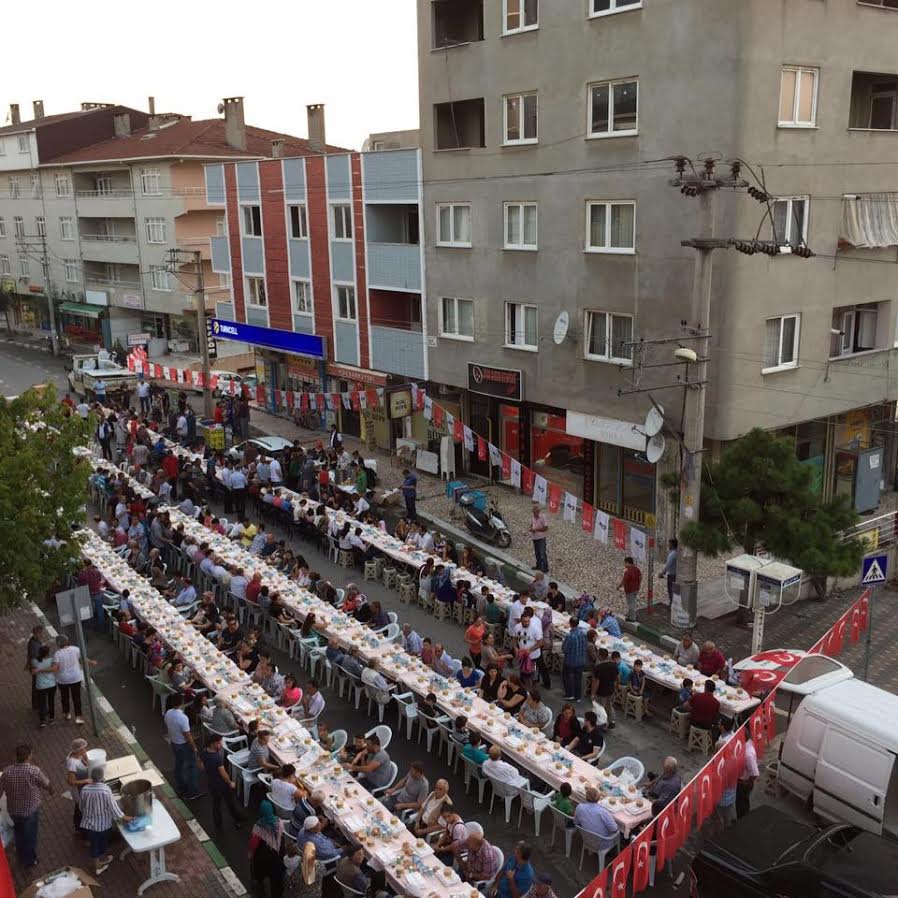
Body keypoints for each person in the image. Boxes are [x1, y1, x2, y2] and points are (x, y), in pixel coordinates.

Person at [0, 744, 53, 868]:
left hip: (13, 810)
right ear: (29, 756)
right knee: (30, 836)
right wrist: (51, 791)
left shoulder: (7, 772)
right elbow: (46, 783)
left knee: (19, 833)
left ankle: (21, 854)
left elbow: (0, 791)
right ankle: (29, 861)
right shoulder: (33, 771)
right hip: (30, 812)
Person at [79, 766, 133, 875]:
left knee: (96, 843)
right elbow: (114, 809)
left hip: (89, 824)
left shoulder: (85, 789)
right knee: (97, 846)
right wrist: (126, 817)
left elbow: (81, 806)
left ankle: (101, 859)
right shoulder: (105, 791)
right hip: (102, 825)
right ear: (102, 777)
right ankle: (97, 867)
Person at [164, 694, 203, 799]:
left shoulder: (168, 713)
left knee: (179, 763)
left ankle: (181, 785)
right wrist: (194, 747)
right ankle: (193, 791)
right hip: (183, 744)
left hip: (174, 742)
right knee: (191, 766)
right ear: (181, 703)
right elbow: (188, 735)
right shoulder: (183, 718)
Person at [249, 800, 285, 898]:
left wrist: (251, 853)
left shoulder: (258, 826)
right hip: (277, 856)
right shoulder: (279, 822)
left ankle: (259, 885)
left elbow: (254, 843)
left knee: (259, 872)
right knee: (276, 880)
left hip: (263, 856)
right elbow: (281, 838)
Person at [54, 634, 88, 724]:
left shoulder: (57, 654)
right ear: (67, 641)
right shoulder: (75, 649)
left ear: (58, 644)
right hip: (75, 678)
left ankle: (67, 713)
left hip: (62, 679)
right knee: (76, 698)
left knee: (64, 697)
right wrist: (90, 662)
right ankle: (78, 717)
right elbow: (83, 659)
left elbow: (56, 668)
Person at [66, 738, 92, 831]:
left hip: (82, 788)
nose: (85, 750)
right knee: (80, 808)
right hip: (78, 790)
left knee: (79, 808)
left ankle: (77, 825)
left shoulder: (77, 756)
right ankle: (80, 828)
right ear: (78, 750)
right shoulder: (72, 763)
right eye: (83, 749)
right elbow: (70, 781)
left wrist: (85, 758)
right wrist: (86, 781)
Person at [592, 648, 619, 729]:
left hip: (601, 691)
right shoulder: (613, 665)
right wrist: (616, 686)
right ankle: (612, 721)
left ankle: (604, 724)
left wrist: (593, 693)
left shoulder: (598, 667)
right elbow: (618, 677)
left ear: (600, 656)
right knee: (609, 706)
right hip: (611, 690)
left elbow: (596, 682)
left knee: (600, 708)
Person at [561, 617, 586, 701]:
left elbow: (564, 649)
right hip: (581, 660)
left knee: (567, 677)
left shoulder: (569, 636)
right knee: (578, 679)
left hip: (571, 661)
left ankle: (569, 694)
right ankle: (578, 697)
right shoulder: (583, 633)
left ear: (570, 624)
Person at [31, 645, 57, 727]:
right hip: (51, 684)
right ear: (47, 653)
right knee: (51, 701)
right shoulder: (52, 660)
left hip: (40, 686)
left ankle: (42, 720)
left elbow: (33, 672)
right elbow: (54, 669)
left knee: (42, 703)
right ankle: (51, 718)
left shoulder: (35, 661)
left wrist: (39, 670)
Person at [737, 731, 760, 819]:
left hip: (744, 783)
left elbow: (755, 773)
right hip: (741, 779)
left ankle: (744, 820)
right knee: (740, 803)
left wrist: (747, 782)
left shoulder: (748, 754)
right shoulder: (746, 744)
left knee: (742, 805)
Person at [617, 556, 642, 622]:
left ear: (629, 563)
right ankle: (629, 613)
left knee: (630, 604)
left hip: (629, 590)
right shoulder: (636, 569)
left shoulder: (627, 572)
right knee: (633, 602)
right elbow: (640, 577)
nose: (624, 565)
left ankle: (632, 618)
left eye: (625, 563)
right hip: (636, 588)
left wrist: (618, 586)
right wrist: (639, 584)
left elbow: (624, 581)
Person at [528, 502, 549, 573]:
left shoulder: (543, 517)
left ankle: (545, 568)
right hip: (535, 537)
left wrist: (536, 530)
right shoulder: (533, 518)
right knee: (537, 553)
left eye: (535, 512)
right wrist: (531, 529)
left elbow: (546, 528)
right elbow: (531, 525)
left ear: (538, 512)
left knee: (542, 553)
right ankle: (538, 565)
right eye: (533, 512)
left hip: (541, 538)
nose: (534, 514)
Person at [658, 538, 678, 603]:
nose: (668, 545)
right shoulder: (678, 553)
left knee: (671, 591)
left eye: (669, 544)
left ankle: (672, 605)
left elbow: (667, 565)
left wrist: (662, 573)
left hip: (672, 575)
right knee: (676, 591)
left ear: (672, 545)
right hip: (678, 575)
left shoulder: (672, 554)